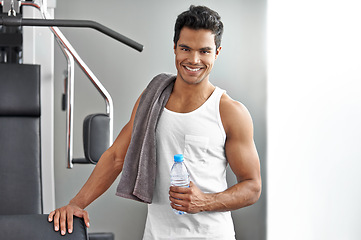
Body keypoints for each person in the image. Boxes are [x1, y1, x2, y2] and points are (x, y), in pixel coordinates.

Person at [48, 5, 262, 239]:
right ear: (174, 48)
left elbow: (252, 187)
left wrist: (206, 201)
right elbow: (116, 156)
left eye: (204, 51)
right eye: (185, 48)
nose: (194, 59)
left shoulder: (230, 111)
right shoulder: (153, 98)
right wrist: (76, 204)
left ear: (217, 52)